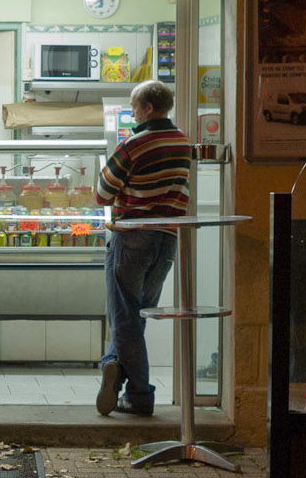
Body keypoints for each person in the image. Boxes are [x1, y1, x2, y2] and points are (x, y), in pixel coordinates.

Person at [93, 79, 192, 417]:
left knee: (124, 317)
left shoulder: (135, 143)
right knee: (137, 316)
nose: (132, 113)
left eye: (134, 107)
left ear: (149, 108)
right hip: (167, 239)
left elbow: (102, 192)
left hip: (132, 236)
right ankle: (116, 370)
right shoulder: (182, 142)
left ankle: (139, 394)